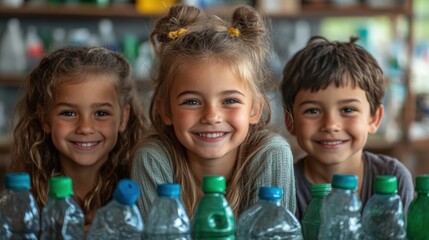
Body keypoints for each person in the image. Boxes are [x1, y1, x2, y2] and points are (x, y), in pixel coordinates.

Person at [131, 4, 296, 220]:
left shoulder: (272, 155)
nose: (211, 116)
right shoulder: (153, 159)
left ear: (255, 109)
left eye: (229, 100)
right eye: (191, 101)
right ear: (165, 110)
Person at [8, 46, 147, 230]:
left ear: (123, 118)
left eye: (101, 113)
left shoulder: (142, 190)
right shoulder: (24, 199)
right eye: (68, 113)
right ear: (45, 119)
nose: (85, 128)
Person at [280, 36, 414, 220]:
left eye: (348, 110)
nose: (330, 125)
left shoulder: (392, 178)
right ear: (291, 121)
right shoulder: (282, 187)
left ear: (374, 119)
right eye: (312, 111)